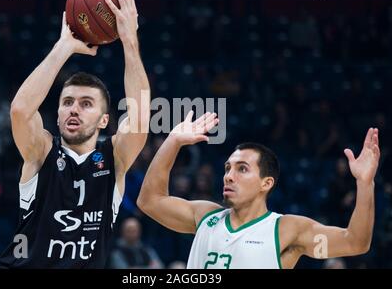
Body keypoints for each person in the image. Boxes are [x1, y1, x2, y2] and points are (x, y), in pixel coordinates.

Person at [0, 0, 150, 268]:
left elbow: (139, 119)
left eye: (86, 103)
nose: (74, 109)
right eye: (67, 102)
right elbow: (20, 111)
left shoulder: (115, 158)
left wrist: (129, 40)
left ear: (105, 120)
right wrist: (63, 47)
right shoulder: (41, 152)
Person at [137, 111, 380, 269]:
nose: (229, 176)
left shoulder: (286, 230)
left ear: (267, 183)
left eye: (242, 169)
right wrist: (173, 142)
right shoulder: (205, 217)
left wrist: (365, 184)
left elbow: (355, 242)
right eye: (227, 168)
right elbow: (150, 201)